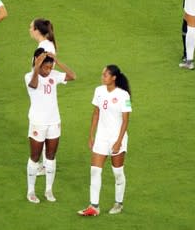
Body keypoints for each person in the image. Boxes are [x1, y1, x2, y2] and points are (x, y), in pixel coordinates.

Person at [78, 65, 132, 216]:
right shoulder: (99, 91)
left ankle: (118, 203)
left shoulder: (123, 95)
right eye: (102, 74)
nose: (102, 77)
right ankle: (94, 206)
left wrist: (119, 141)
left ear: (113, 78)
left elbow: (126, 120)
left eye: (105, 75)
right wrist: (91, 135)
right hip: (101, 137)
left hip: (116, 138)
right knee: (95, 171)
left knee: (117, 172)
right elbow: (96, 113)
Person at [24, 48, 76, 203]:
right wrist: (36, 67)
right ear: (37, 63)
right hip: (37, 123)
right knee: (35, 157)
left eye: (50, 67)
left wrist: (57, 61)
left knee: (51, 157)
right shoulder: (29, 76)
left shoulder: (54, 75)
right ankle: (31, 191)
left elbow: (73, 76)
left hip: (54, 122)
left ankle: (48, 190)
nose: (48, 71)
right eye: (45, 67)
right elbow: (33, 85)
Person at [29, 18, 57, 176]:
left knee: (44, 124)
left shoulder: (45, 47)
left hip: (41, 89)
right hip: (41, 88)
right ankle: (46, 165)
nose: (29, 29)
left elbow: (45, 69)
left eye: (31, 27)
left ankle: (45, 166)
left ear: (37, 30)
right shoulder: (46, 45)